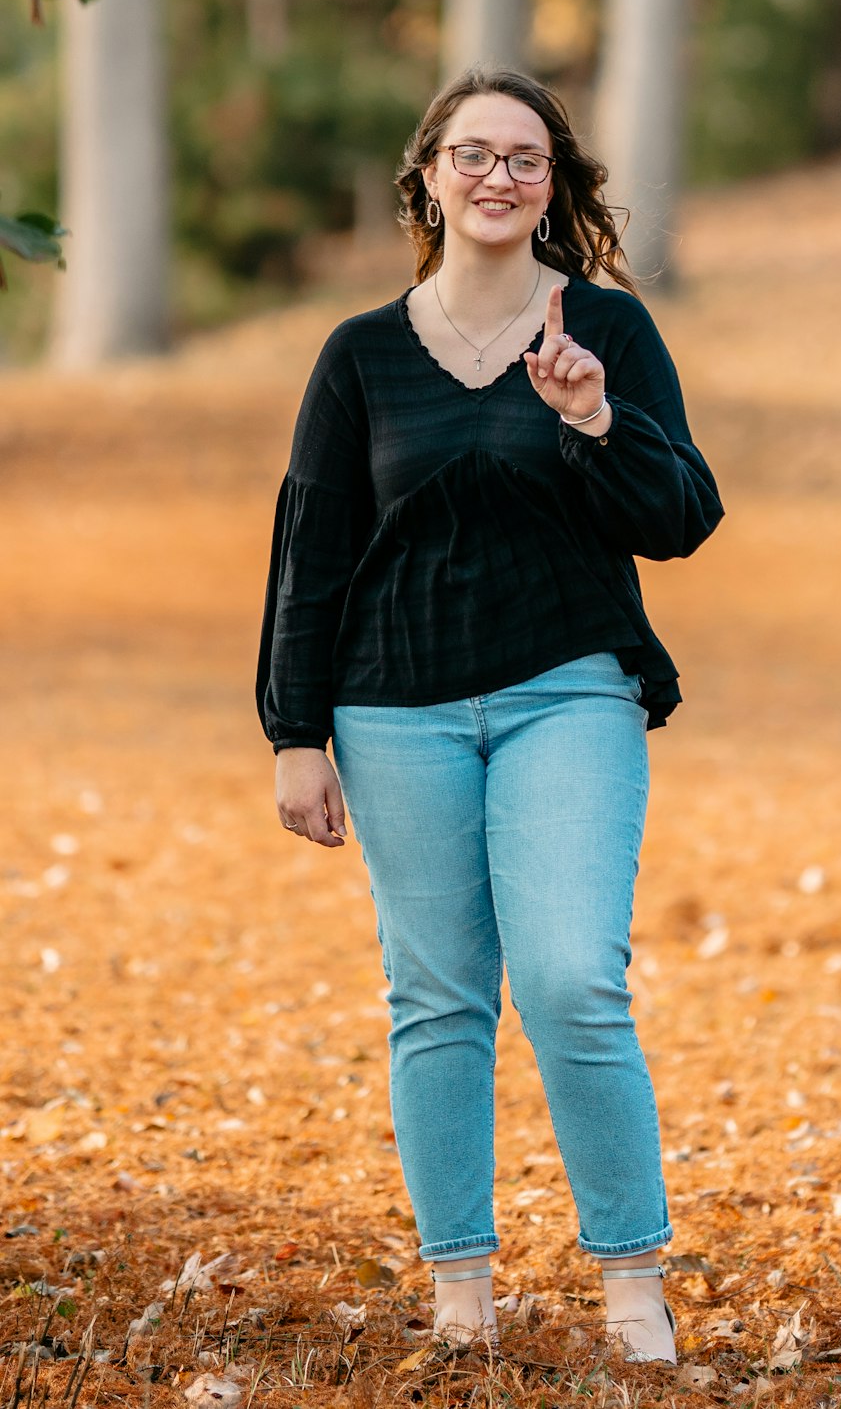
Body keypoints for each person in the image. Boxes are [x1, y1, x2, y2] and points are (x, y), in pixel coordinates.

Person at [256, 67, 723, 1363]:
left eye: (525, 158)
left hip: (566, 688)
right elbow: (315, 551)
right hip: (392, 708)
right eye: (474, 153)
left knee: (574, 977)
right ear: (430, 177)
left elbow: (680, 517)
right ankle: (463, 1290)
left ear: (552, 184)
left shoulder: (611, 332)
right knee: (438, 997)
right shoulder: (359, 354)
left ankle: (631, 1278)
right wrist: (298, 731)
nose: (499, 176)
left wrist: (592, 418)